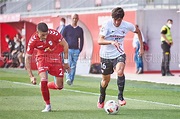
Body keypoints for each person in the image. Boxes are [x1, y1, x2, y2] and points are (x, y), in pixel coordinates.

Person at [97, 7, 144, 108]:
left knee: (120, 71)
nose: (117, 22)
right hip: (105, 56)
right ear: (112, 18)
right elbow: (99, 40)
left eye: (119, 20)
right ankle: (101, 96)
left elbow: (138, 32)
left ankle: (120, 97)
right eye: (115, 20)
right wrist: (111, 42)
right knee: (105, 81)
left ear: (122, 19)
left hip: (119, 54)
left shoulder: (127, 25)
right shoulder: (106, 25)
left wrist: (142, 47)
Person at [25, 22, 70, 112]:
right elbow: (27, 57)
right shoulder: (33, 40)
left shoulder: (54, 34)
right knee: (43, 79)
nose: (45, 37)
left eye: (46, 34)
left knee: (59, 86)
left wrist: (65, 62)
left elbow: (65, 45)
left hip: (55, 56)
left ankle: (45, 85)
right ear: (37, 32)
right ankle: (48, 105)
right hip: (42, 57)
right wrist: (31, 76)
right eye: (42, 35)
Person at [62, 14, 84, 85]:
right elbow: (62, 37)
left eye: (76, 18)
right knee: (68, 63)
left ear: (78, 19)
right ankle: (68, 77)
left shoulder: (80, 29)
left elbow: (82, 39)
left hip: (76, 50)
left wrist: (80, 49)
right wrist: (64, 46)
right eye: (73, 18)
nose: (74, 20)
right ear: (71, 19)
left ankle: (71, 80)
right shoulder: (67, 28)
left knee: (73, 65)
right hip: (68, 49)